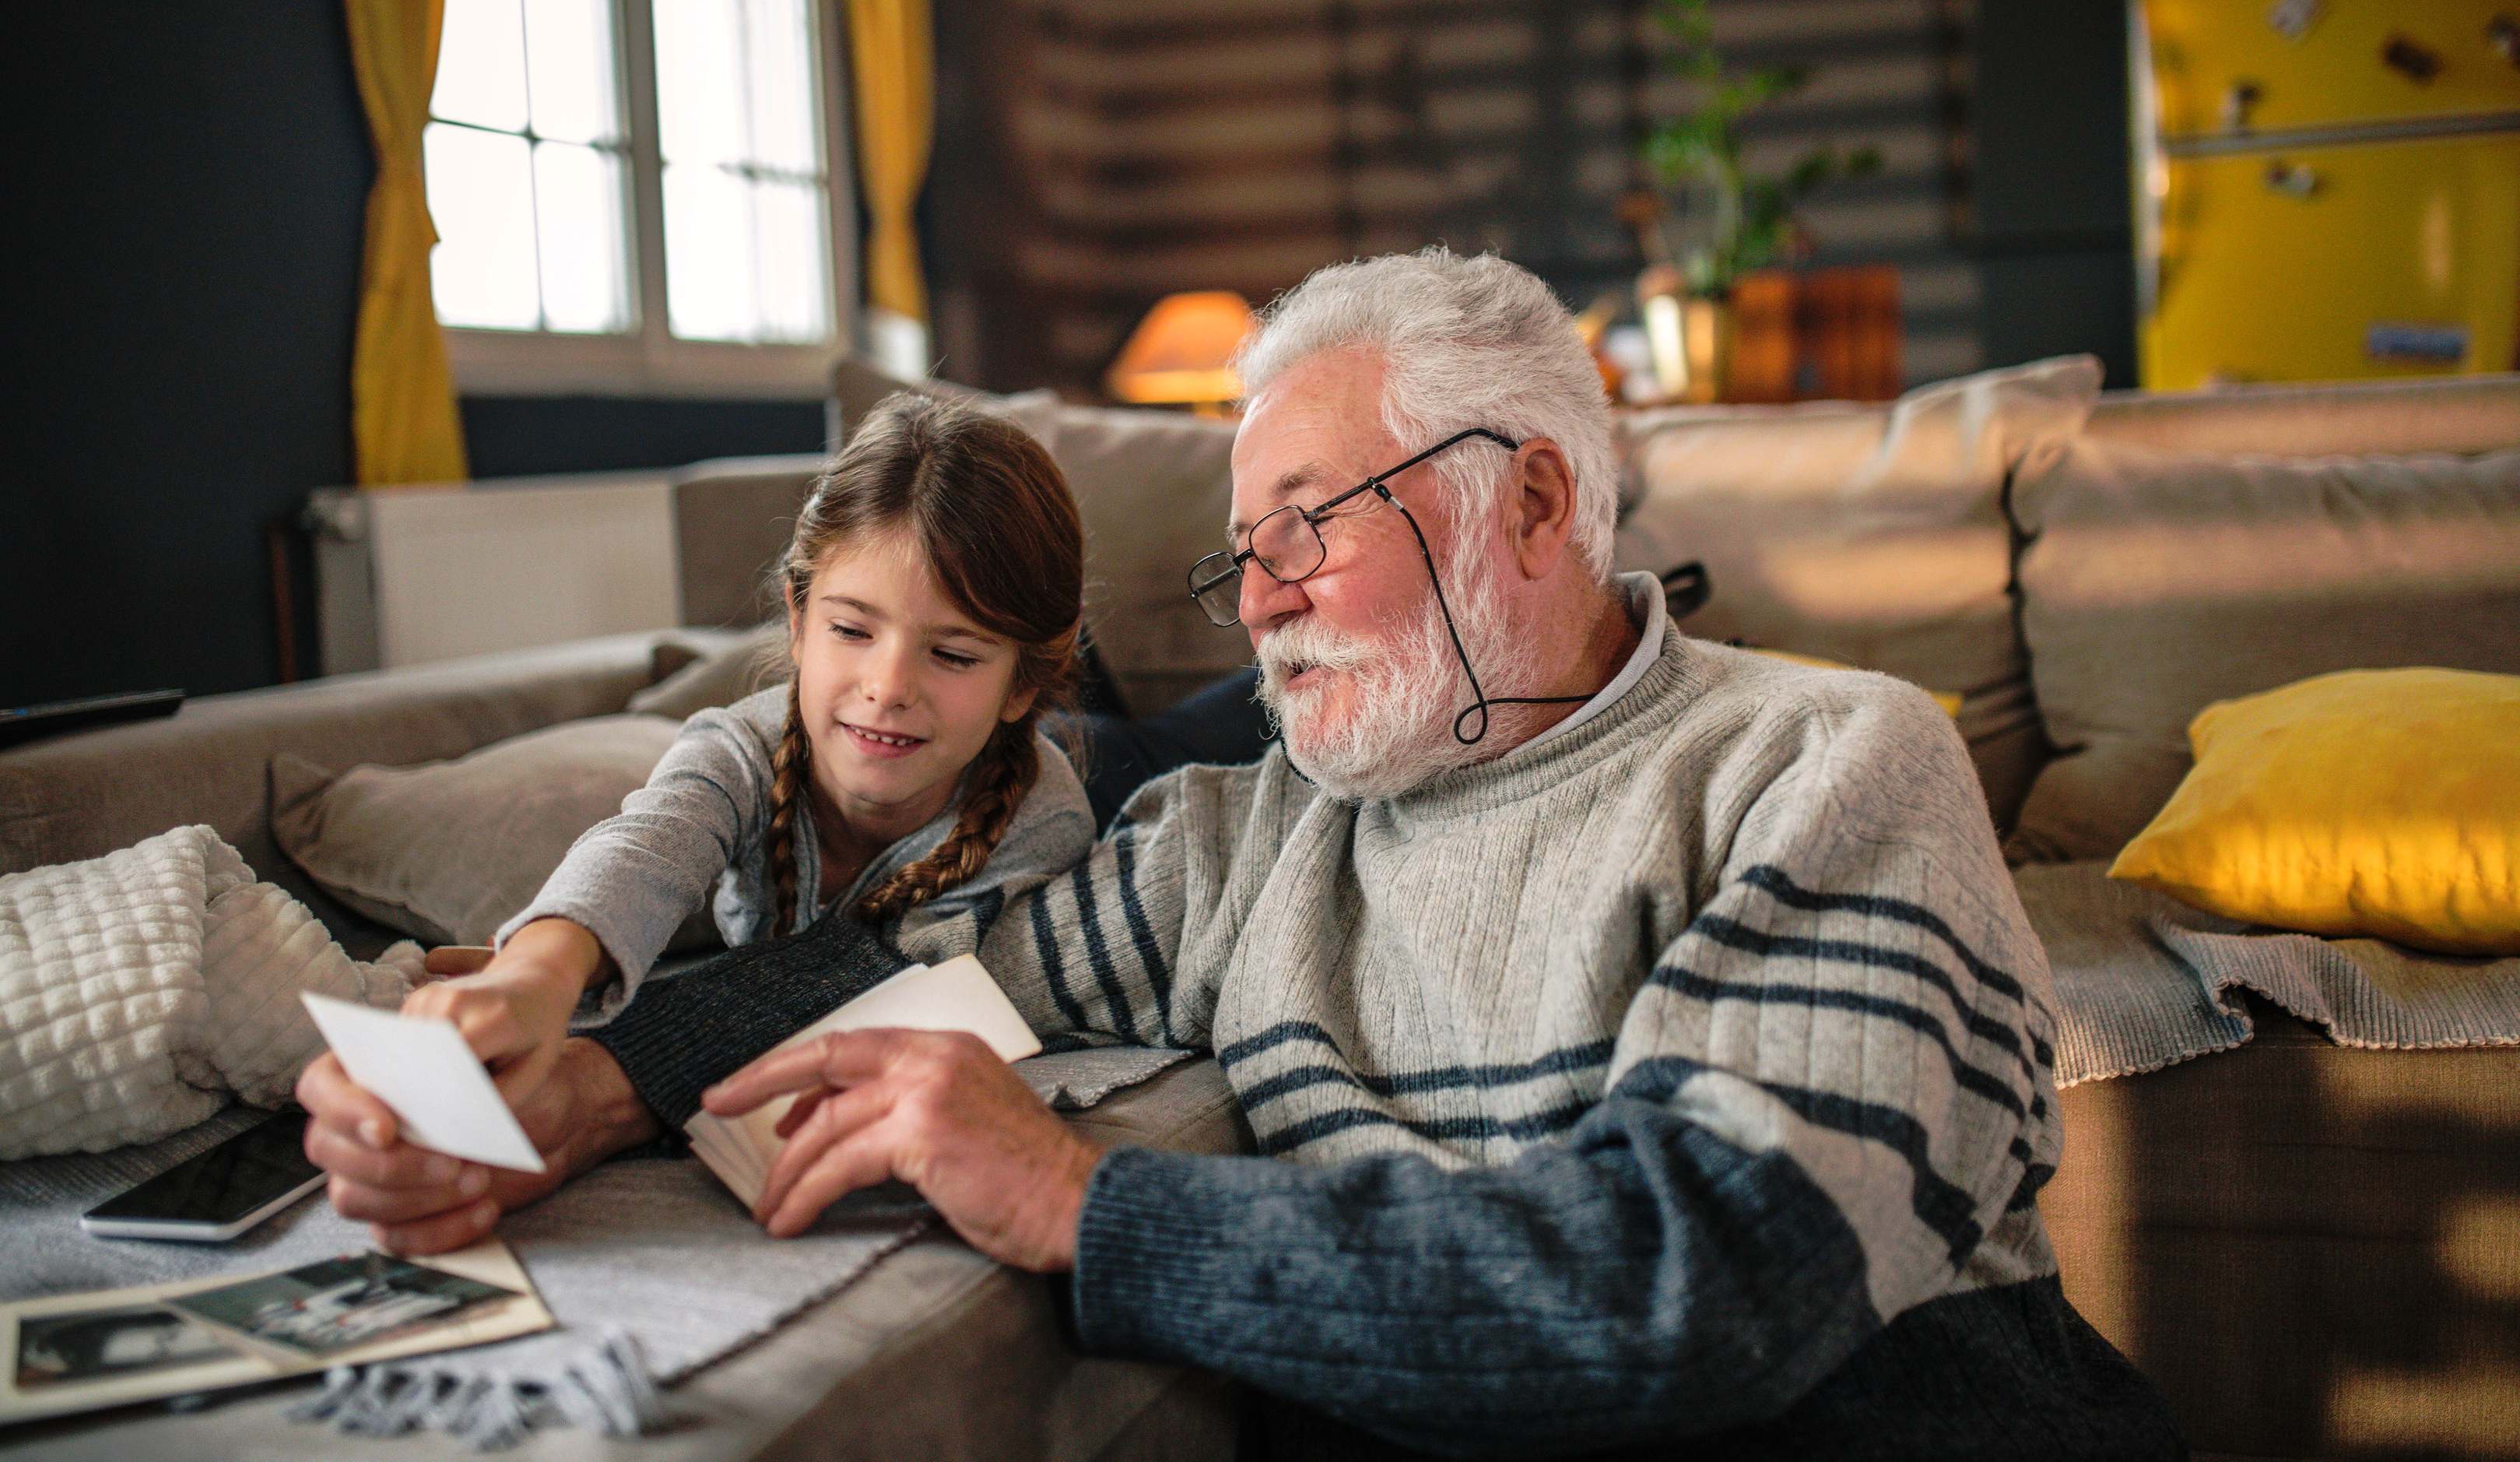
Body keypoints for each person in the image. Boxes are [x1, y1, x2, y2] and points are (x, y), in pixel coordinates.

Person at [304, 249, 2181, 1457]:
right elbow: (919, 970)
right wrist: (584, 1086)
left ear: (1529, 497)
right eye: (1237, 544)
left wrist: (1073, 1196)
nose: (1253, 596)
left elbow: (1701, 1277)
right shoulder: (1242, 830)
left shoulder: (1826, 757)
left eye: (1307, 520)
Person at [345, 392, 1099, 1113]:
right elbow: (649, 845)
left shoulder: (1044, 821)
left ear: (1021, 682)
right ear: (799, 619)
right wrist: (538, 968)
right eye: (852, 630)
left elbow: (887, 986)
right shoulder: (741, 743)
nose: (888, 685)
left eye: (954, 654)